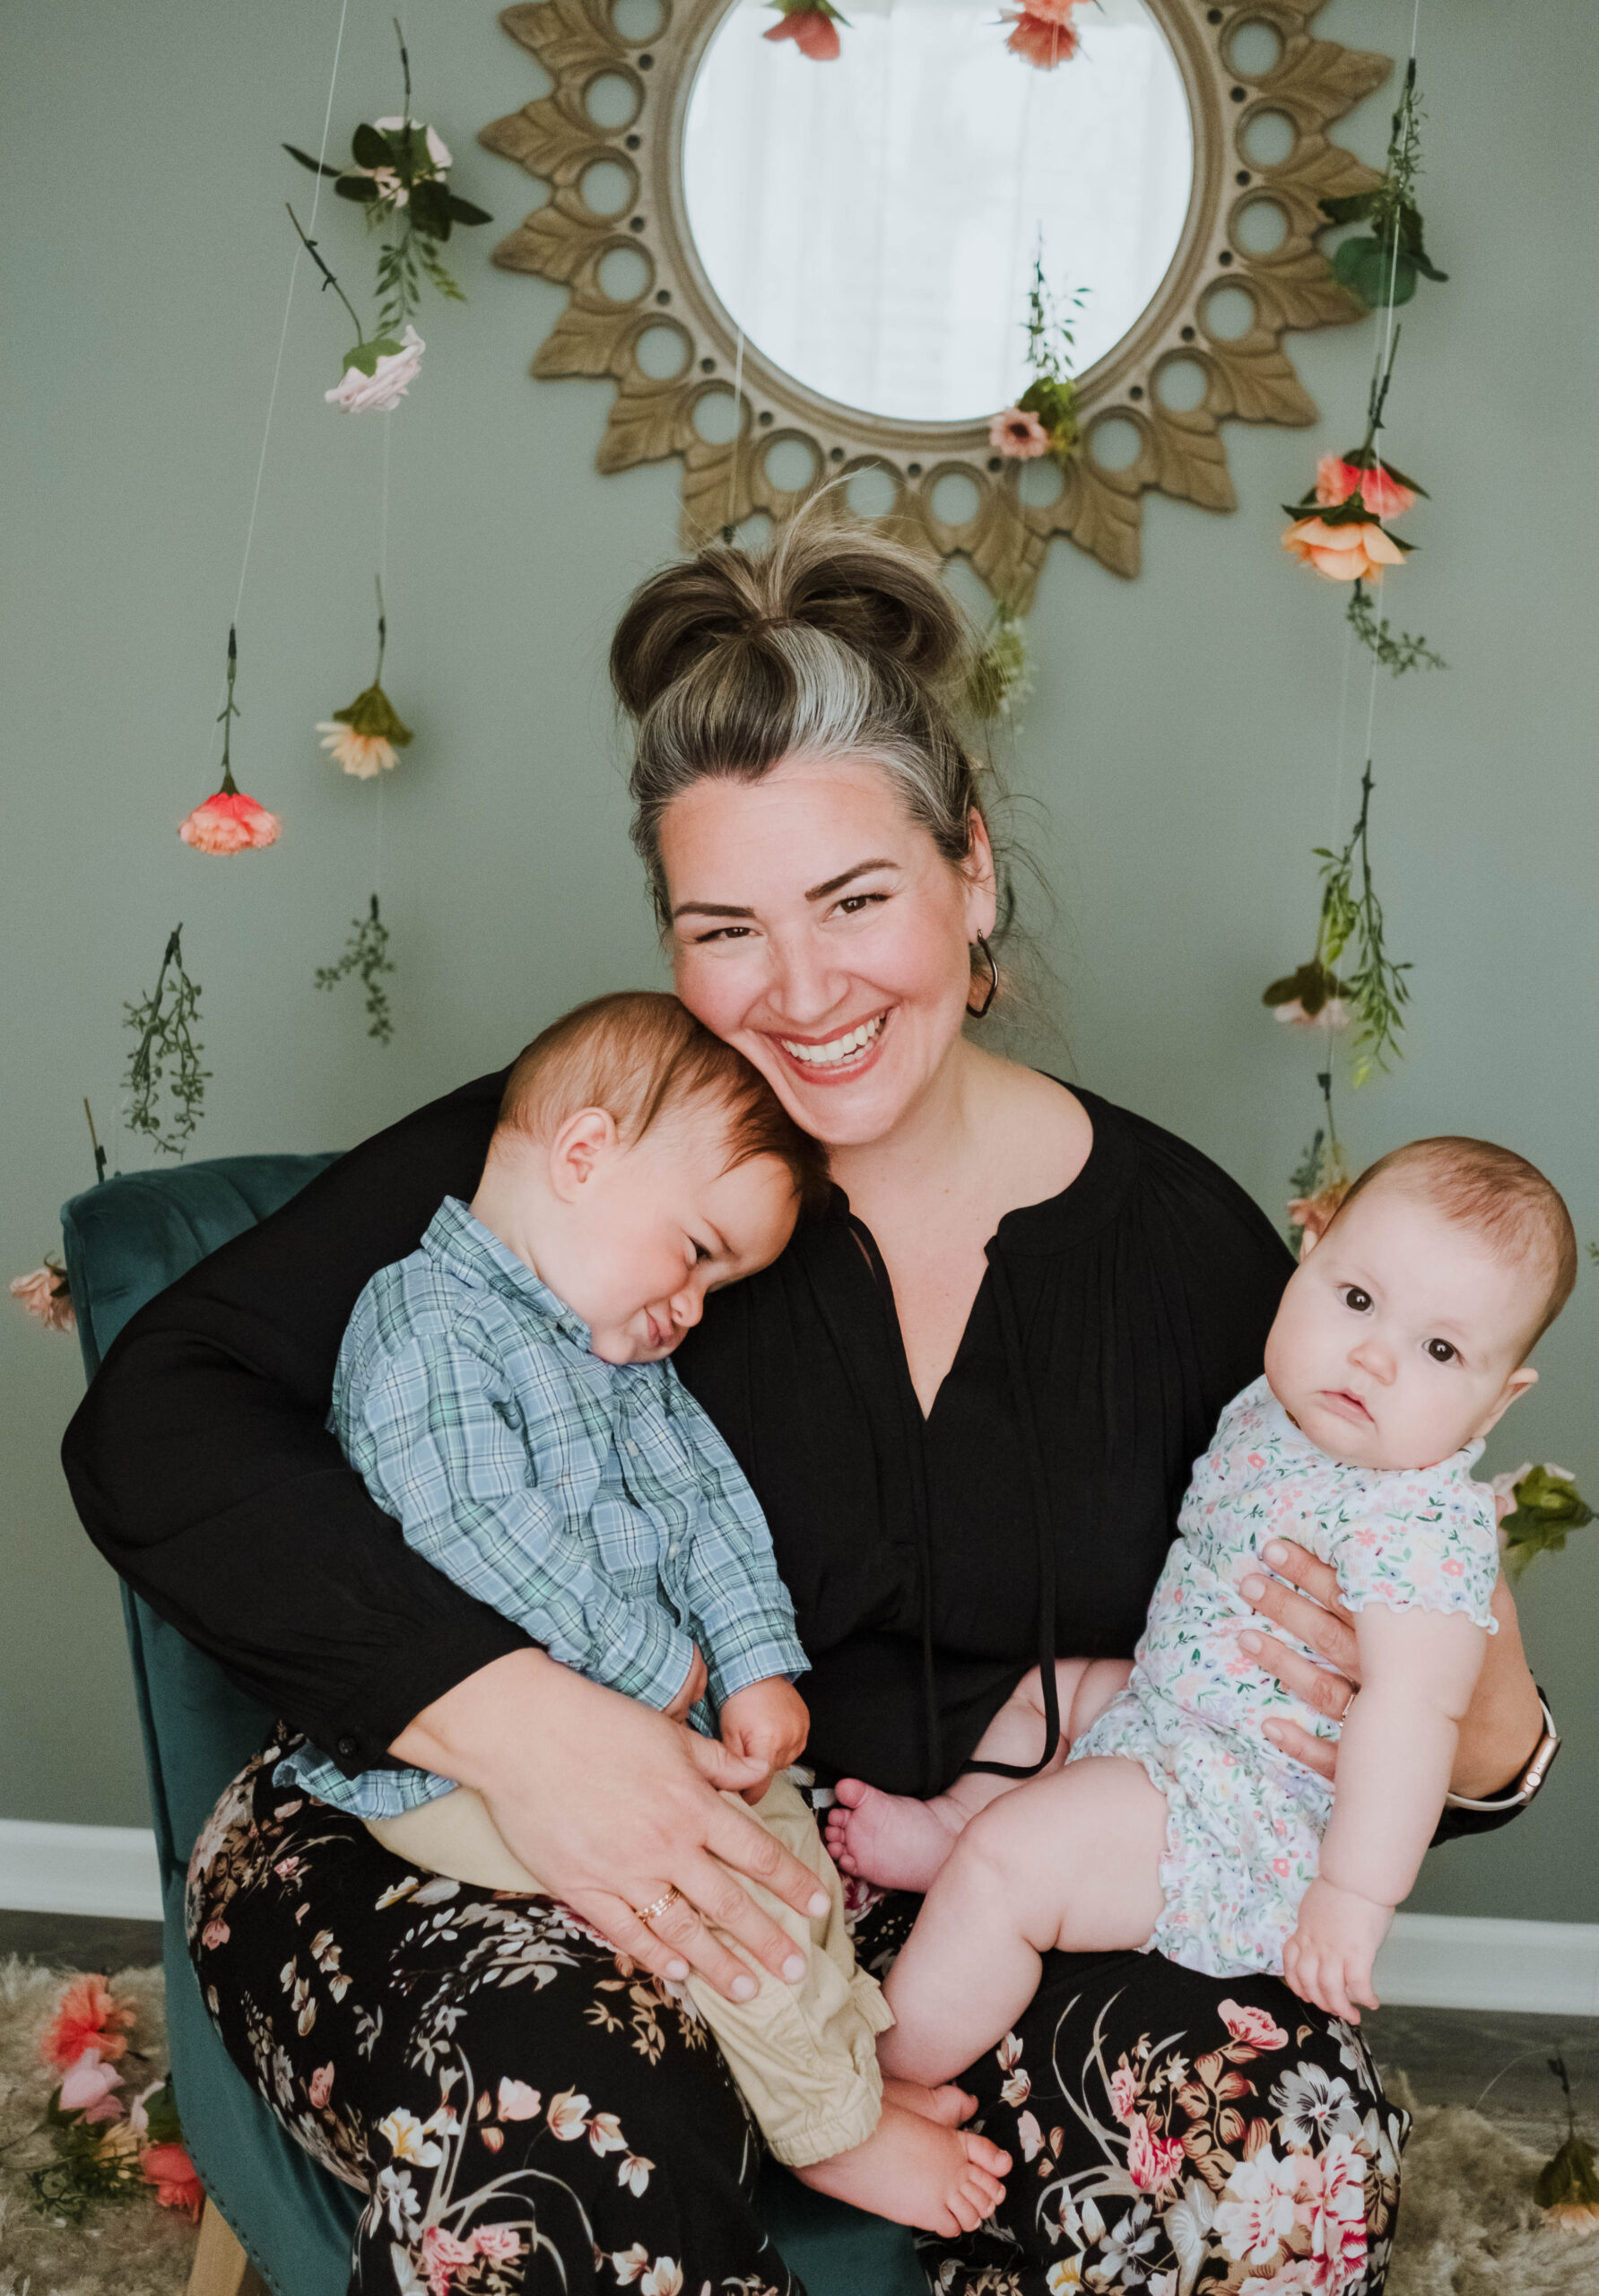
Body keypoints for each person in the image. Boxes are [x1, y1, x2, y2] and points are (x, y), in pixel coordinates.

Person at [65, 518, 1555, 2296]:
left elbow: (1410, 1703)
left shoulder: (1185, 1251)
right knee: (565, 2125)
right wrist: (519, 1720)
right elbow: (162, 1410)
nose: (804, 992)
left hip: (963, 1877)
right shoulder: (584, 1154)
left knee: (1270, 2155)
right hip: (448, 1819)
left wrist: (1471, 1722)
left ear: (972, 875)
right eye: (727, 927)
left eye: (856, 899)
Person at [283, 985, 1010, 2233]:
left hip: (657, 1715)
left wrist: (754, 1667)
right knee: (712, 1906)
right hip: (463, 1769)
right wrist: (656, 1665)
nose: (693, 1305)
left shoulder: (624, 1357)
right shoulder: (427, 1321)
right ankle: (828, 2132)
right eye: (695, 1253)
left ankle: (840, 2070)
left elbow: (708, 1515)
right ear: (581, 1158)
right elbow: (471, 1531)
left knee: (782, 1859)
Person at [840, 1139, 1572, 2093]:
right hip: (1163, 1714)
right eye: (1356, 1299)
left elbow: (1412, 1713)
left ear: (1494, 1405)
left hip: (1238, 1811)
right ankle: (955, 1821)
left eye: (1439, 1350)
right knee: (1050, 1691)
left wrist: (1350, 1897)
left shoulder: (1419, 1524)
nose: (1372, 1356)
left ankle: (887, 2081)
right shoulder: (1276, 1407)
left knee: (1014, 1863)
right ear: (1303, 1261)